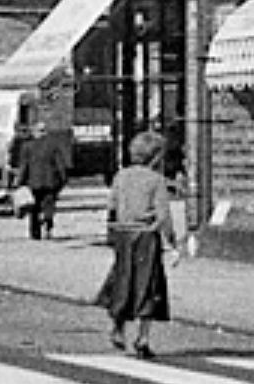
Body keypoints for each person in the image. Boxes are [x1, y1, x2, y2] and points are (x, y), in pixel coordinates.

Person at [94, 130, 179, 359]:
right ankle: (143, 337)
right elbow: (163, 216)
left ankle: (118, 328)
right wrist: (172, 241)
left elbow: (111, 206)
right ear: (156, 157)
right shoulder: (155, 180)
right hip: (145, 236)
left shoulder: (121, 176)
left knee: (123, 281)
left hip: (123, 234)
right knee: (148, 286)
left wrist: (110, 233)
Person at [15, 122, 69, 240]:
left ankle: (35, 233)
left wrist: (19, 182)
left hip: (34, 183)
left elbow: (24, 166)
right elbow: (60, 165)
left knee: (34, 208)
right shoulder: (53, 146)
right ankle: (47, 224)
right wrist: (63, 180)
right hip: (50, 182)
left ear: (35, 132)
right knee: (48, 205)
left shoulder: (27, 146)